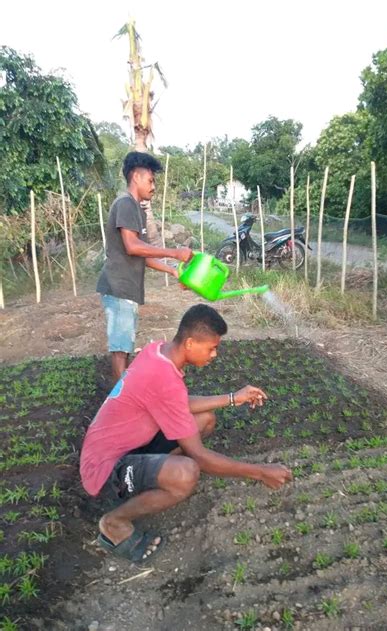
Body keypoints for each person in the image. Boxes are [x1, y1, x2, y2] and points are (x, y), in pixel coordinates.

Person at [80, 304, 292, 563]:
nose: (214, 355)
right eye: (212, 348)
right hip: (104, 471)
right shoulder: (163, 375)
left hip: (126, 447)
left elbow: (177, 402)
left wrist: (234, 398)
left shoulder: (158, 352)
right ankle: (115, 522)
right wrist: (261, 472)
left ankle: (147, 477)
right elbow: (199, 457)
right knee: (186, 472)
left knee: (204, 420)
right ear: (190, 343)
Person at [97, 151, 193, 383]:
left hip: (125, 288)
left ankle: (122, 398)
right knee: (120, 350)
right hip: (118, 287)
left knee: (124, 346)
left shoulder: (136, 209)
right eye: (150, 180)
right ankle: (121, 404)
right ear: (136, 177)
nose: (153, 187)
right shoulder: (125, 204)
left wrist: (172, 270)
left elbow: (144, 255)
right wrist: (174, 252)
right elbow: (132, 246)